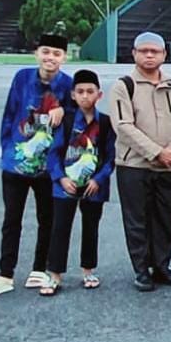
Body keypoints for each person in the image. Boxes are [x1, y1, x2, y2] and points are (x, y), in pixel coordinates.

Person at [0, 33, 72, 298]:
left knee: (47, 218)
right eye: (46, 52)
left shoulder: (68, 85)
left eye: (57, 54)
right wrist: (8, 150)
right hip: (17, 163)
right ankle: (5, 273)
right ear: (37, 53)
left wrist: (64, 112)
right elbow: (10, 114)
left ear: (64, 58)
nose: (50, 58)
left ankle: (39, 268)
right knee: (12, 219)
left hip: (48, 166)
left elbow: (77, 121)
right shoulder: (22, 77)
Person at [110, 32, 171, 292]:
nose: (149, 55)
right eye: (143, 51)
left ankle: (163, 266)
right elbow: (123, 126)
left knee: (165, 219)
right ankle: (142, 270)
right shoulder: (124, 85)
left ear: (164, 55)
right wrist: (156, 152)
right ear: (134, 54)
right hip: (134, 166)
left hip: (168, 166)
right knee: (137, 220)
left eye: (155, 51)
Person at [39, 69, 115, 296]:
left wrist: (99, 179)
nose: (85, 96)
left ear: (99, 95)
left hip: (93, 185)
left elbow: (111, 157)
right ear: (72, 95)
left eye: (90, 92)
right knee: (60, 228)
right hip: (66, 184)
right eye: (80, 91)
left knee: (91, 228)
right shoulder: (68, 120)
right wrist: (60, 177)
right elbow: (54, 152)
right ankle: (54, 275)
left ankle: (88, 270)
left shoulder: (106, 122)